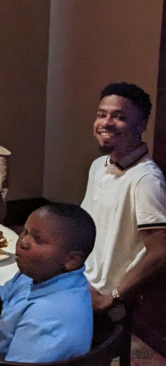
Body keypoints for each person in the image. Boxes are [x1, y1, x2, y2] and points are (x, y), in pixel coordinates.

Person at [0, 203, 95, 365]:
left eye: (37, 240)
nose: (22, 242)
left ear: (72, 260)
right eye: (25, 231)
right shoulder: (38, 274)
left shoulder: (49, 319)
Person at [81, 82, 166, 313]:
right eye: (101, 115)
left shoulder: (145, 180)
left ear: (140, 125)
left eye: (118, 116)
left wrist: (113, 297)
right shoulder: (100, 165)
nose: (106, 123)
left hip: (103, 299)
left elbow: (160, 252)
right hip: (80, 282)